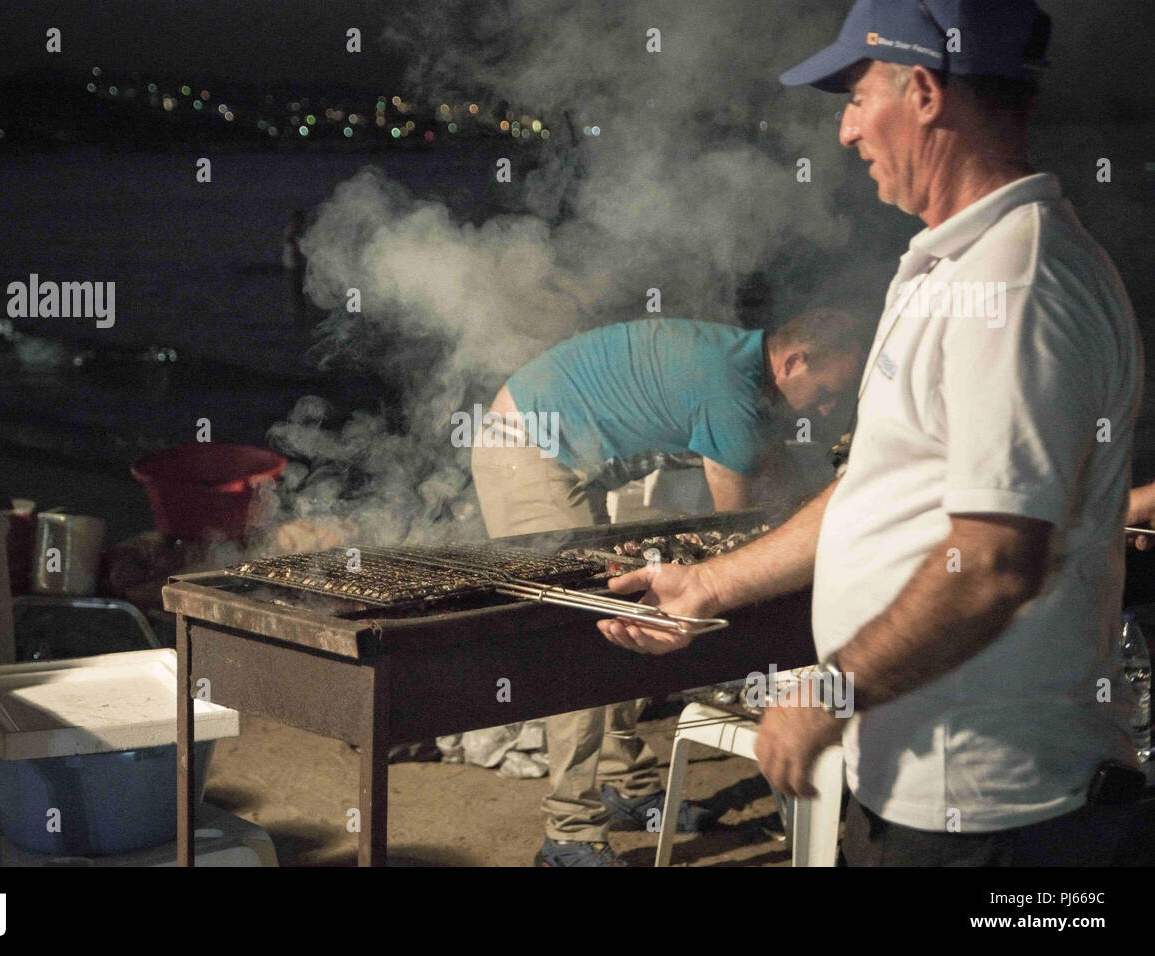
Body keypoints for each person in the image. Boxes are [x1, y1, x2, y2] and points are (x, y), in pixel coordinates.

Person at [598, 0, 1145, 866]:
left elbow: (997, 559)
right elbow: (875, 491)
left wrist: (825, 693)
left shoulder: (1016, 284)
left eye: (856, 97)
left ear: (924, 90)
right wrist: (708, 584)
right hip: (911, 790)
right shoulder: (944, 265)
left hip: (1001, 816)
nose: (847, 131)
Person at [472, 310, 868, 866]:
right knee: (579, 637)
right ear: (794, 362)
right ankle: (569, 833)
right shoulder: (728, 396)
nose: (827, 410)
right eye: (826, 393)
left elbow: (773, 489)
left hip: (558, 446)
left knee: (622, 615)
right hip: (522, 444)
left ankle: (625, 785)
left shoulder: (742, 375)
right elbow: (737, 532)